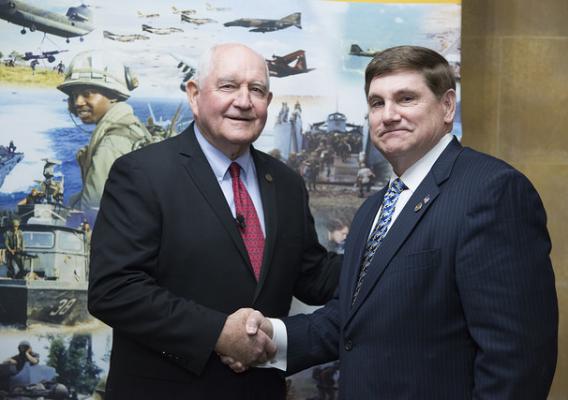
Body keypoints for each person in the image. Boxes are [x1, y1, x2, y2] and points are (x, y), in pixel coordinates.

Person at [232, 45, 559, 399]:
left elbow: (517, 358)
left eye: (405, 99)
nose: (388, 115)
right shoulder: (373, 209)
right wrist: (268, 337)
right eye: (377, 103)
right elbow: (353, 318)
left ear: (447, 106)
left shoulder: (491, 192)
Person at [87, 43, 342, 399]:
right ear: (194, 95)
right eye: (228, 86)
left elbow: (311, 274)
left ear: (268, 102)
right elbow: (114, 291)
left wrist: (389, 256)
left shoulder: (286, 183)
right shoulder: (142, 173)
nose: (243, 101)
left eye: (256, 90)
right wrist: (219, 333)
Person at [57, 50, 151, 216]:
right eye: (74, 95)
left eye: (87, 94)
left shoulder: (112, 144)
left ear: (113, 95)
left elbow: (93, 212)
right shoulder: (132, 128)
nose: (78, 102)